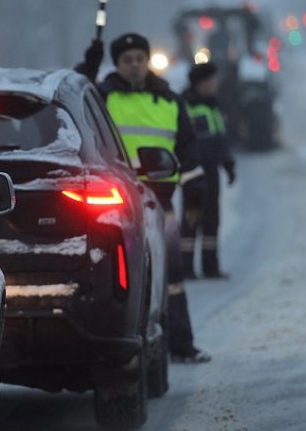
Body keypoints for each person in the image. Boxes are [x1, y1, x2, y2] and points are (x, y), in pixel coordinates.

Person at [77, 33, 211, 363]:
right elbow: (76, 97)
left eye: (140, 58)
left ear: (147, 60)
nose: (135, 65)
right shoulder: (102, 97)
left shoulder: (169, 100)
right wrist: (88, 67)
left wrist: (195, 187)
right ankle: (121, 346)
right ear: (117, 64)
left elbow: (188, 147)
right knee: (121, 277)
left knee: (173, 275)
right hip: (115, 204)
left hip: (160, 200)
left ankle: (181, 344)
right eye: (127, 60)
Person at [180, 62, 235, 280]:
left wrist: (228, 163)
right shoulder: (187, 106)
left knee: (212, 218)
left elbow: (220, 139)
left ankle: (210, 266)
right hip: (193, 171)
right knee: (192, 216)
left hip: (211, 170)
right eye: (212, 80)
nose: (216, 84)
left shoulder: (213, 106)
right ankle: (186, 267)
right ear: (201, 83)